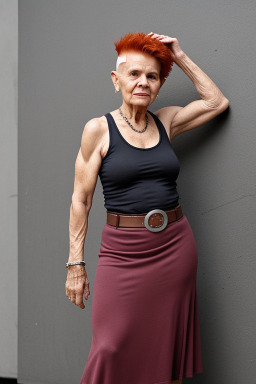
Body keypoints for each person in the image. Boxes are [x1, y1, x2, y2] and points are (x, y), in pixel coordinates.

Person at [65, 32, 229, 384]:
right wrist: (75, 263)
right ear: (116, 80)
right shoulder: (99, 130)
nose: (143, 82)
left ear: (159, 84)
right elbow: (81, 198)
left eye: (152, 76)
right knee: (109, 347)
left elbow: (216, 102)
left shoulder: (165, 121)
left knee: (165, 350)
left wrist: (180, 56)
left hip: (175, 248)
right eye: (134, 73)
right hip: (122, 253)